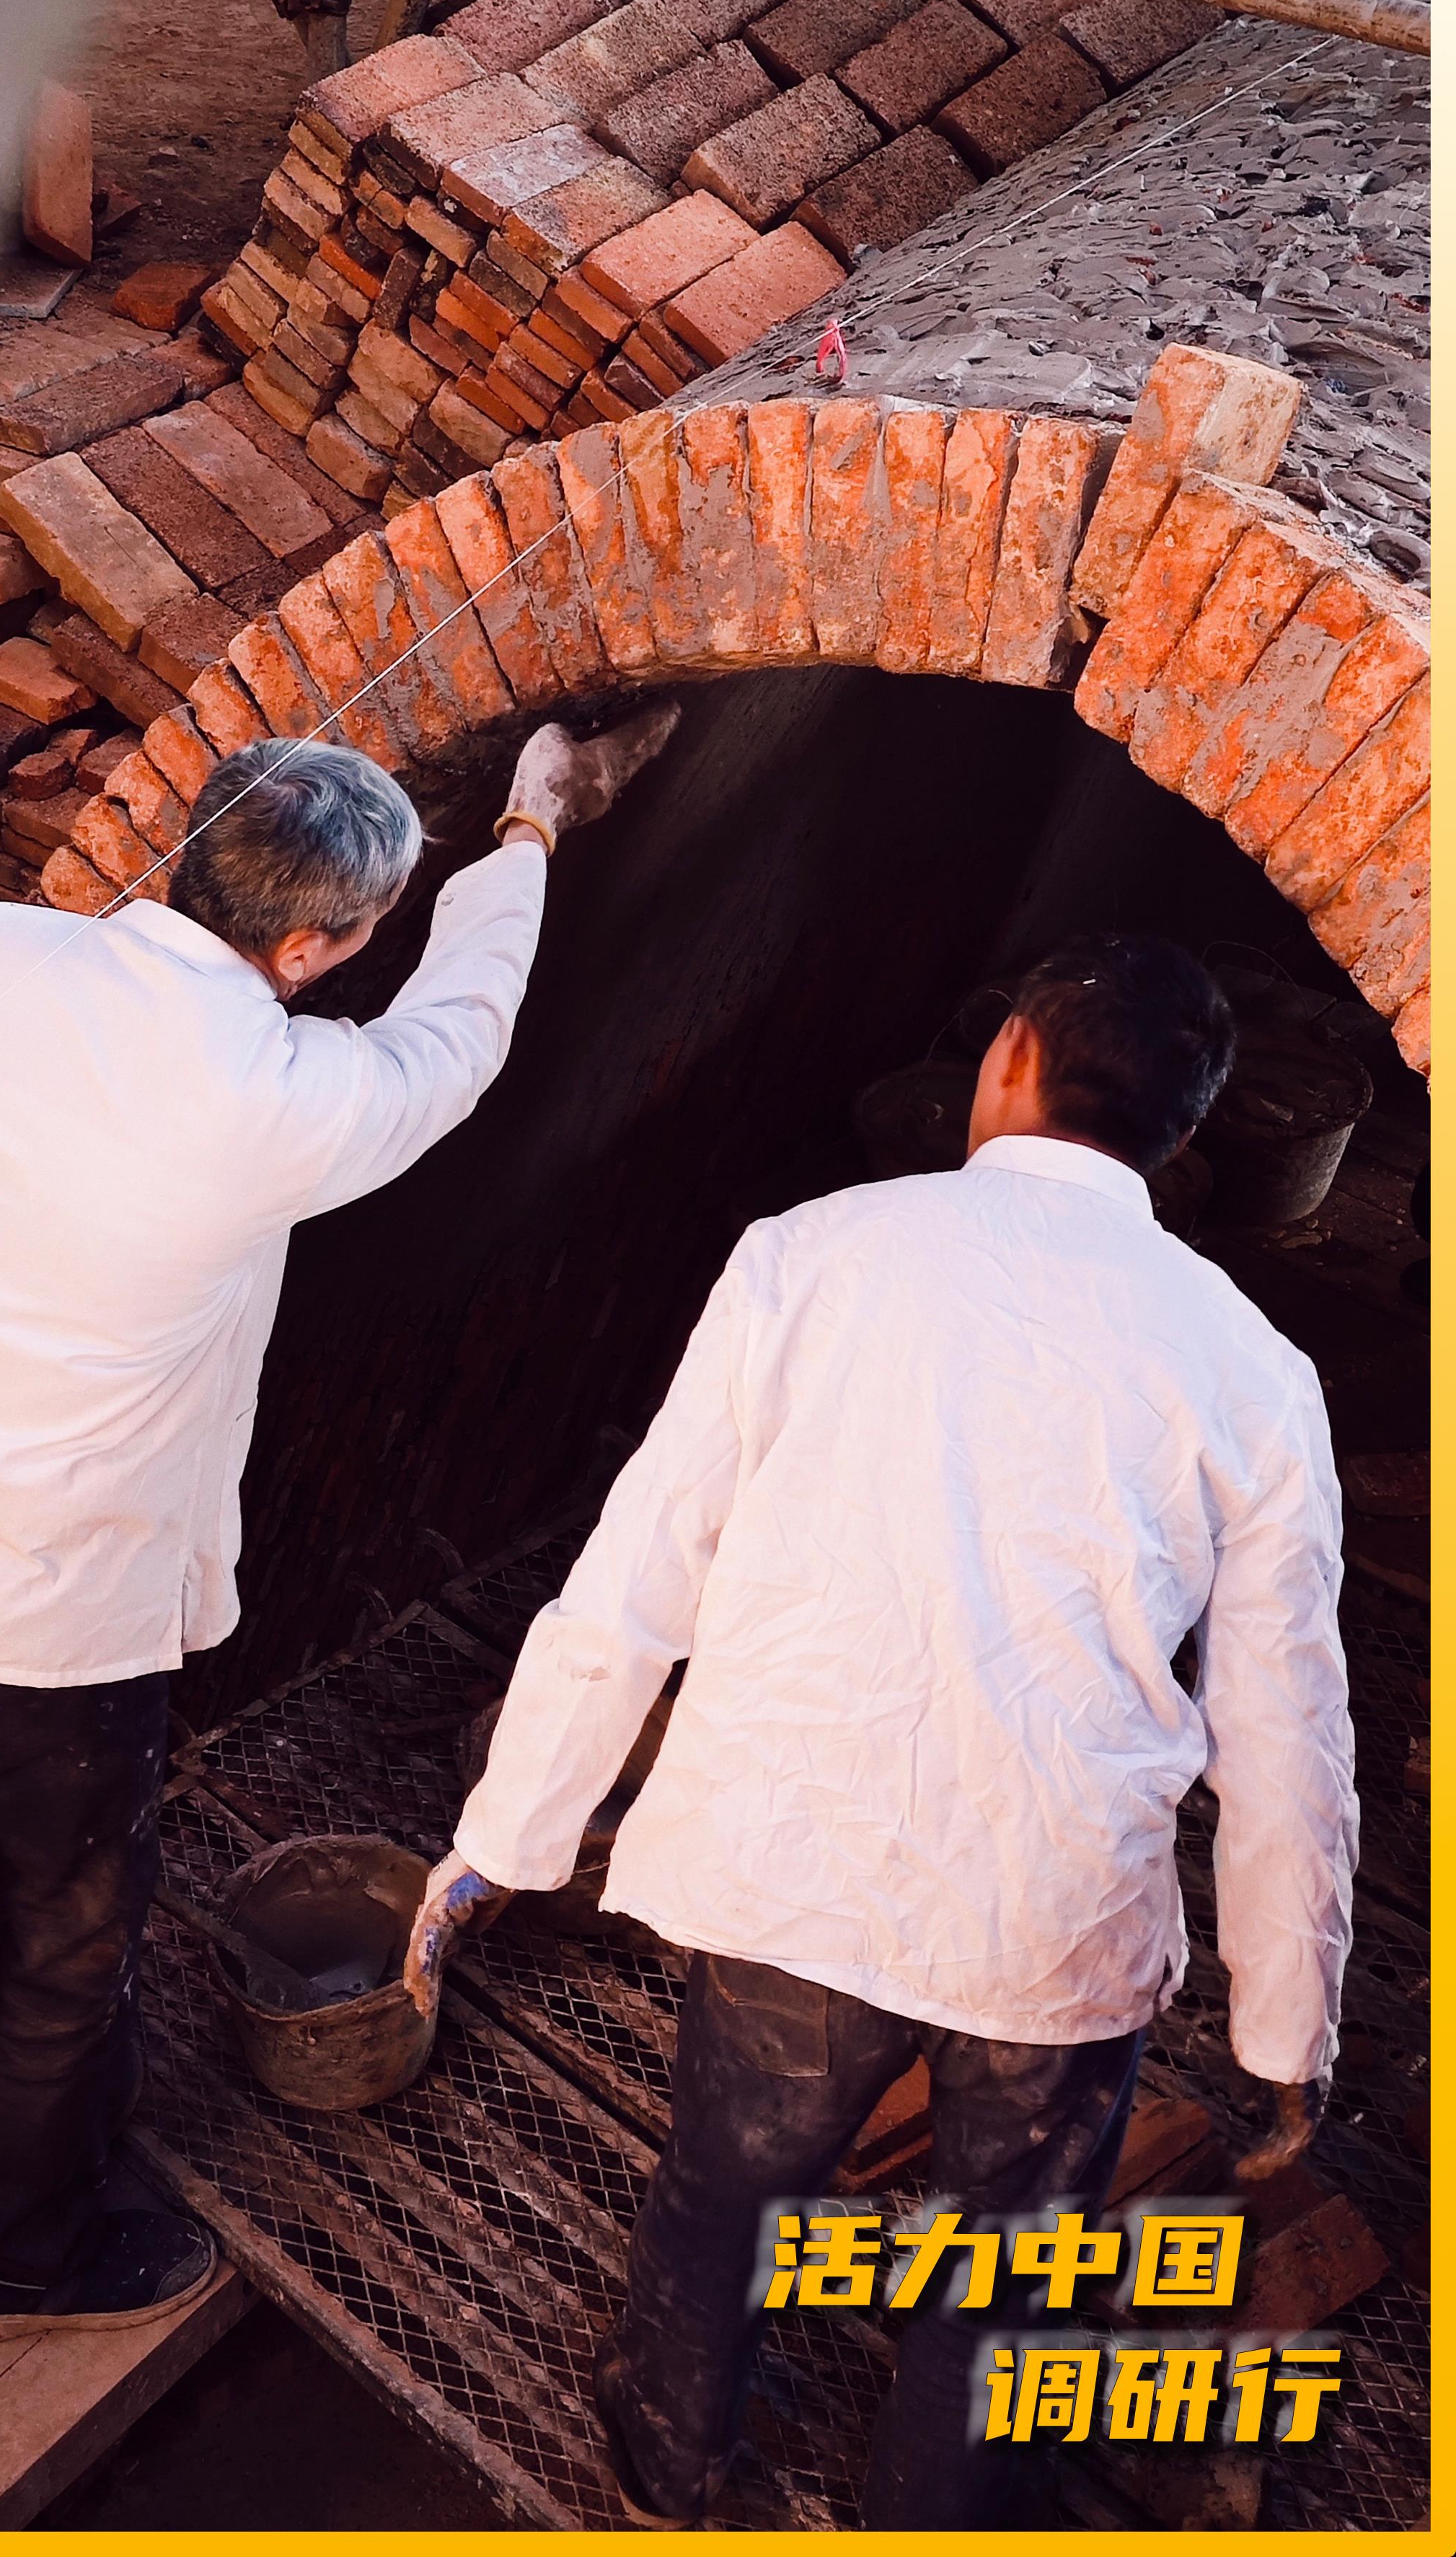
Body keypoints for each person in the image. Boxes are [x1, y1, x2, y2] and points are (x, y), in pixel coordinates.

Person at [0, 712, 674, 2345]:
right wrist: (528, 834)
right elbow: (460, 1035)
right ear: (310, 947)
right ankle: (17, 2258)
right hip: (51, 1640)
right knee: (70, 1944)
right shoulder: (280, 1097)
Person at [407, 933, 1356, 2528]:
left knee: (727, 2192)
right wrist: (1285, 2031)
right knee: (1005, 2279)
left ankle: (668, 2467)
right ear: (1182, 1132)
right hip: (1050, 1925)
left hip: (801, 1865)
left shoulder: (810, 1257)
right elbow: (1288, 1741)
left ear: (1008, 1061)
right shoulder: (1254, 1372)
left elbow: (641, 1570)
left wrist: (502, 1839)